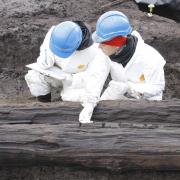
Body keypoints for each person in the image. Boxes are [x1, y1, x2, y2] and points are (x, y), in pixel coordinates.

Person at [25, 21, 110, 123]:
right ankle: (44, 108)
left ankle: (65, 116)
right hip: (57, 74)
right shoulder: (55, 33)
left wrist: (90, 104)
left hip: (77, 82)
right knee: (35, 77)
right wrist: (45, 60)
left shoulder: (96, 51)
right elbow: (45, 51)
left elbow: (95, 79)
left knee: (71, 98)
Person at [92, 11, 166, 101]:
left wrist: (129, 89)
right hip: (119, 96)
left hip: (147, 105)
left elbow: (157, 87)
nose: (99, 46)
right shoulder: (106, 50)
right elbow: (96, 75)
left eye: (103, 43)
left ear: (117, 44)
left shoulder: (151, 58)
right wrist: (92, 97)